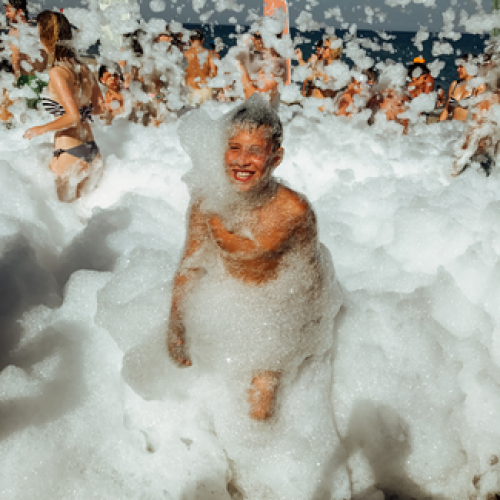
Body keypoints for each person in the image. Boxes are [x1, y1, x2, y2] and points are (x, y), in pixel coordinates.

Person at [167, 97, 343, 421]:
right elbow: (192, 264)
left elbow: (311, 280)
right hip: (227, 304)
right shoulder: (207, 203)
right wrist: (176, 322)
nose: (242, 161)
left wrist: (308, 338)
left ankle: (264, 459)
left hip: (277, 315)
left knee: (259, 408)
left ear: (276, 158)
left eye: (255, 151)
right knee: (195, 400)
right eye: (234, 147)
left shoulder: (294, 212)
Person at [23, 11, 104, 202]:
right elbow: (100, 108)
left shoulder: (58, 72)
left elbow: (73, 117)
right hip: (93, 151)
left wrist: (40, 129)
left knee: (60, 223)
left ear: (47, 38)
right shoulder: (84, 68)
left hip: (70, 153)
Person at [6, 0, 48, 108]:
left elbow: (15, 60)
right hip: (42, 81)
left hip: (26, 81)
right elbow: (45, 57)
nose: (6, 14)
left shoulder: (15, 32)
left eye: (8, 11)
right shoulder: (37, 30)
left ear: (19, 12)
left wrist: (12, 86)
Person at [236, 31, 286, 102]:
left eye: (256, 36)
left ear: (268, 39)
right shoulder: (268, 62)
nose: (252, 38)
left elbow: (254, 99)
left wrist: (241, 66)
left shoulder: (275, 65)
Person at [439, 54, 486, 122]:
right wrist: (438, 124)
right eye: (458, 67)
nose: (458, 69)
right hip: (452, 129)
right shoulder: (454, 85)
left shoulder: (479, 86)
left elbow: (480, 115)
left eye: (461, 66)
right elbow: (447, 110)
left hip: (467, 130)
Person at [184, 28, 217, 106]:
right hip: (206, 90)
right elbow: (214, 73)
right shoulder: (209, 54)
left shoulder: (184, 55)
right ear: (202, 40)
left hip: (190, 90)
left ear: (190, 40)